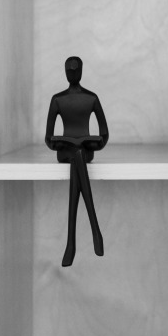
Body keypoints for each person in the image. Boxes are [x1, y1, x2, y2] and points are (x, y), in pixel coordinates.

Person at [45, 55, 109, 266]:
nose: (72, 73)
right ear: (66, 73)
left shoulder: (91, 98)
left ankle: (71, 244)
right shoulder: (57, 100)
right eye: (69, 70)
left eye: (74, 70)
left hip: (85, 151)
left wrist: (95, 143)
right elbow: (48, 138)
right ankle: (95, 230)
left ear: (80, 72)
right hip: (65, 151)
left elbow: (104, 134)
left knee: (79, 154)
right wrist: (58, 142)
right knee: (78, 154)